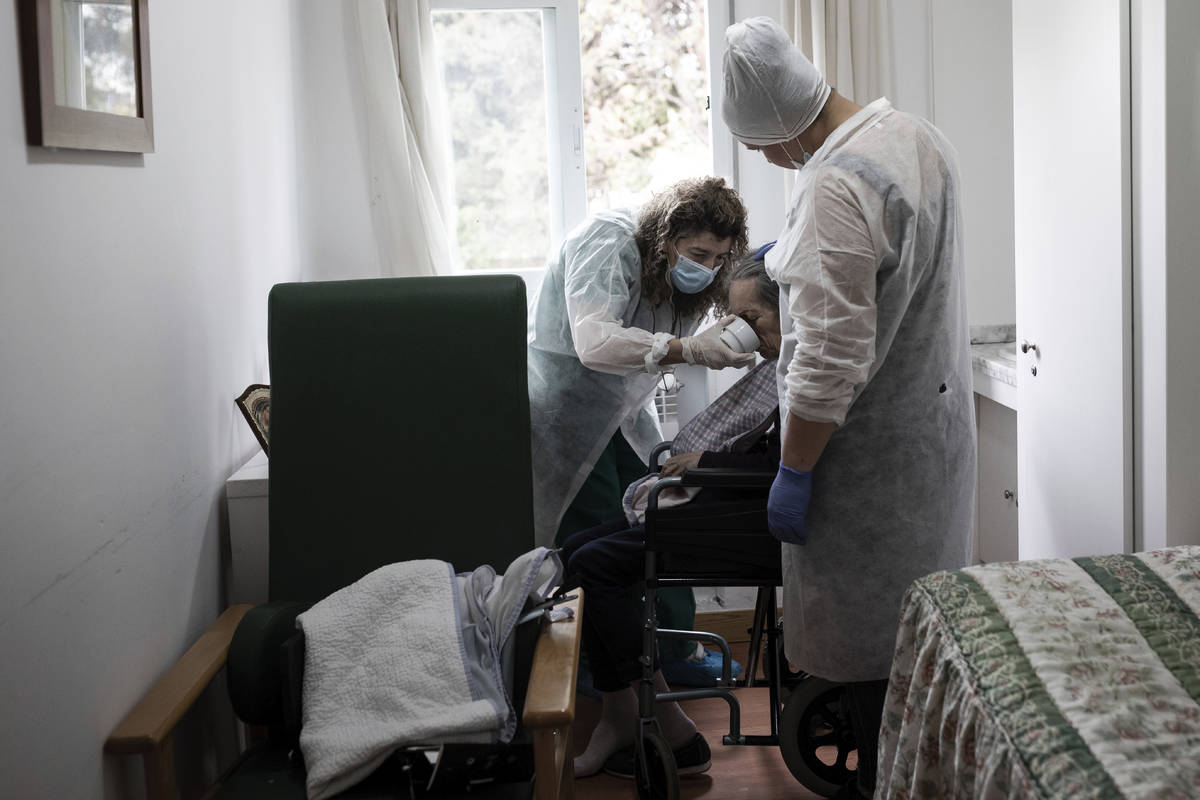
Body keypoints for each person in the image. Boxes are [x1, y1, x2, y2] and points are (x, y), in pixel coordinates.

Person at [721, 18, 976, 800]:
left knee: (875, 670)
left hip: (864, 476)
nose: (766, 159)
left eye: (759, 143)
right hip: (928, 446)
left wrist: (793, 470)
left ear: (778, 122)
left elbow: (828, 361)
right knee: (921, 654)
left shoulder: (835, 185)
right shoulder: (916, 138)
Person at [559, 253, 783, 779]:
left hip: (740, 520)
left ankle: (661, 722)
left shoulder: (805, 370)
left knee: (592, 566)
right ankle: (635, 715)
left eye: (752, 320)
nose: (741, 332)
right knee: (573, 554)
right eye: (734, 320)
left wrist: (708, 462)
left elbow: (784, 465)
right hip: (722, 504)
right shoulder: (784, 365)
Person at [527, 177, 754, 675]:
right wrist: (691, 349)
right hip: (569, 414)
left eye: (718, 259)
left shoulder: (686, 277)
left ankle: (674, 652)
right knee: (592, 542)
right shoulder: (607, 241)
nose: (706, 268)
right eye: (697, 253)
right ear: (665, 236)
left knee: (663, 509)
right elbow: (595, 342)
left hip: (625, 413)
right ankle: (599, 668)